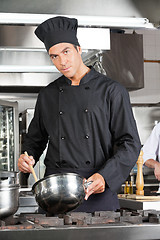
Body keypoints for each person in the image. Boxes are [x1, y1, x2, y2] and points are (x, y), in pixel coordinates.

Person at [18, 16, 141, 212]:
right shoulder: (47, 94)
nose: (62, 61)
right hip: (55, 197)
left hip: (97, 192)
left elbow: (130, 143)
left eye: (66, 52)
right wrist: (27, 157)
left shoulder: (111, 91)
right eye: (54, 56)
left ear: (79, 49)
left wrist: (105, 176)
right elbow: (35, 140)